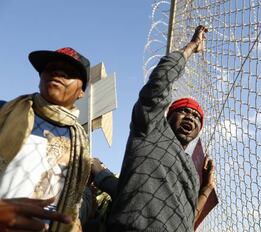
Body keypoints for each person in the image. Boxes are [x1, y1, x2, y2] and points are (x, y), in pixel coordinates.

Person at [108, 25, 216, 231]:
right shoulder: (152, 129)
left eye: (196, 117)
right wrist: (191, 47)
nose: (191, 117)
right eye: (184, 111)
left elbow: (188, 220)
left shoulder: (192, 173)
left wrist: (207, 188)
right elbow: (159, 83)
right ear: (168, 115)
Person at [0, 47, 92, 231]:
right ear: (41, 77)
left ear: (81, 91)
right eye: (51, 68)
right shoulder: (5, 113)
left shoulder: (80, 142)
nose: (58, 73)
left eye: (69, 73)